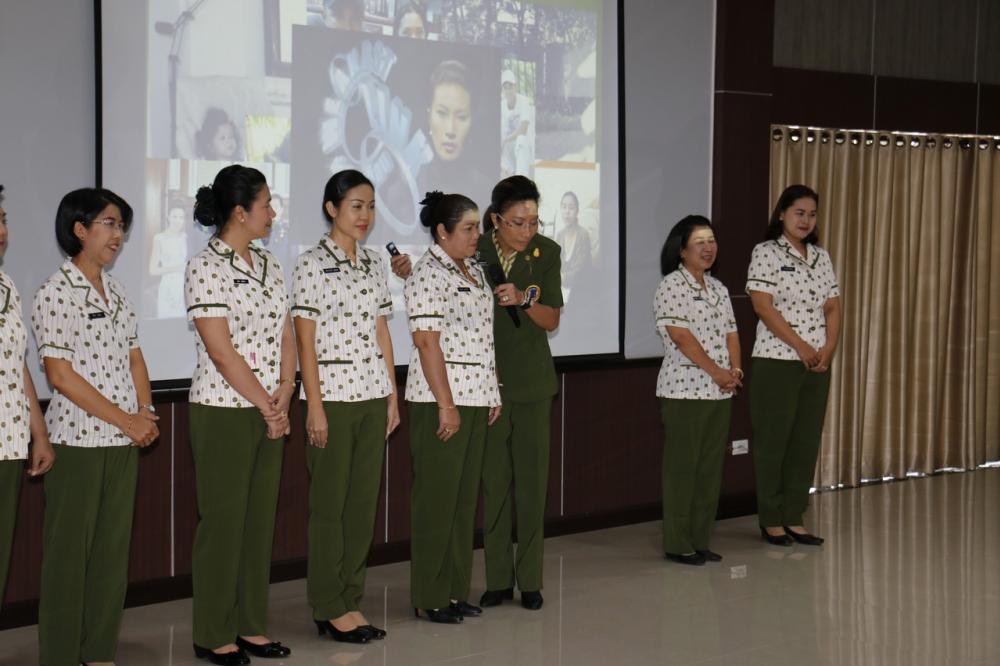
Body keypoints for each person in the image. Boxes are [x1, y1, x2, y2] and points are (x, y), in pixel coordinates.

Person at [31, 187, 158, 666]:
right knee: (68, 560)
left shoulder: (118, 291)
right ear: (79, 229)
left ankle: (99, 652)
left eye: (121, 225)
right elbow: (59, 375)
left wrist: (145, 412)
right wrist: (127, 420)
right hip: (77, 442)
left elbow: (135, 357)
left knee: (110, 556)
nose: (117, 234)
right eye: (108, 223)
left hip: (122, 441)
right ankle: (61, 656)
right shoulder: (55, 291)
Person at [186, 165, 295, 664]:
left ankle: (250, 625)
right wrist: (266, 405)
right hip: (224, 410)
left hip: (271, 407)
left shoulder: (270, 263)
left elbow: (286, 332)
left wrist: (286, 391)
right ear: (239, 212)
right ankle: (213, 632)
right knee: (224, 525)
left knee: (258, 524)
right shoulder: (204, 266)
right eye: (266, 204)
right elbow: (221, 351)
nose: (272, 212)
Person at [291, 170, 399, 644]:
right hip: (332, 398)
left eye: (371, 206)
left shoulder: (374, 263)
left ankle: (351, 598)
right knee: (329, 508)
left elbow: (381, 331)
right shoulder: (310, 264)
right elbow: (305, 342)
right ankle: (328, 604)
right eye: (356, 205)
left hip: (372, 394)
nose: (365, 215)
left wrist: (392, 395)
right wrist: (314, 407)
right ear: (332, 208)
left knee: (361, 506)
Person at [404, 191, 501, 623]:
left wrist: (492, 392)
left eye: (477, 227)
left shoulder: (475, 270)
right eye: (468, 228)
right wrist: (446, 404)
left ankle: (455, 589)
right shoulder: (428, 274)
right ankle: (429, 595)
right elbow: (427, 342)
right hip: (441, 401)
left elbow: (483, 335)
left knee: (463, 501)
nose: (476, 235)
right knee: (437, 501)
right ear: (442, 232)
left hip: (476, 397)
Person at [477, 176, 561, 610]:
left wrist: (524, 302)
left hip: (532, 384)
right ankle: (496, 579)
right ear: (496, 220)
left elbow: (552, 320)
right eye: (517, 222)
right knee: (495, 486)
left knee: (531, 485)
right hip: (486, 386)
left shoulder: (547, 252)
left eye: (533, 221)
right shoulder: (475, 248)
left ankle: (530, 580)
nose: (527, 231)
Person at [746, 184, 841, 547]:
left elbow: (832, 307)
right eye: (799, 213)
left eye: (812, 214)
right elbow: (762, 306)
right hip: (777, 360)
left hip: (816, 364)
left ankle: (794, 516)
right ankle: (771, 519)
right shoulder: (766, 252)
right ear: (782, 213)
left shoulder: (821, 257)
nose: (806, 220)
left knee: (805, 441)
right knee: (774, 442)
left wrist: (828, 349)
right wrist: (801, 346)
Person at [654, 215, 741, 566]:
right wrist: (717, 372)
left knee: (709, 470)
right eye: (700, 242)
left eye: (712, 240)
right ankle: (678, 543)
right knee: (682, 470)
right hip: (684, 392)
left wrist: (735, 371)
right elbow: (681, 337)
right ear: (682, 249)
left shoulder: (718, 288)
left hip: (719, 392)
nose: (708, 248)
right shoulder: (671, 286)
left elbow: (732, 333)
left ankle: (700, 539)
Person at [0, 184, 55, 609]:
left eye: (2, 220)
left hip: (8, 441)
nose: (2, 232)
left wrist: (39, 433)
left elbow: (15, 362)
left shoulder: (6, 285)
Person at [418, 61, 490, 206]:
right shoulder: (407, 188)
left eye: (461, 117)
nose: (450, 130)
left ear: (471, 122)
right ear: (429, 117)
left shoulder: (486, 192)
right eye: (442, 113)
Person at [148, 199, 188, 318]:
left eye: (181, 217)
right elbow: (153, 270)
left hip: (184, 285)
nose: (178, 220)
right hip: (168, 285)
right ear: (168, 217)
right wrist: (177, 268)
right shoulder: (159, 238)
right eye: (174, 216)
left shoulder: (185, 237)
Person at [500, 69, 535, 178]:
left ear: (515, 87)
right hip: (510, 149)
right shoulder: (501, 105)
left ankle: (521, 179)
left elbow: (523, 130)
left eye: (510, 87)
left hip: (525, 147)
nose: (508, 90)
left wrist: (505, 139)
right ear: (503, 90)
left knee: (521, 139)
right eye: (505, 87)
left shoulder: (524, 102)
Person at [554, 191, 592, 291]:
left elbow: (580, 272)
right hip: (562, 288)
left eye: (571, 208)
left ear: (577, 211)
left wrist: (560, 278)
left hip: (581, 289)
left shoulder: (583, 235)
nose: (567, 212)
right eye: (564, 207)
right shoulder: (559, 235)